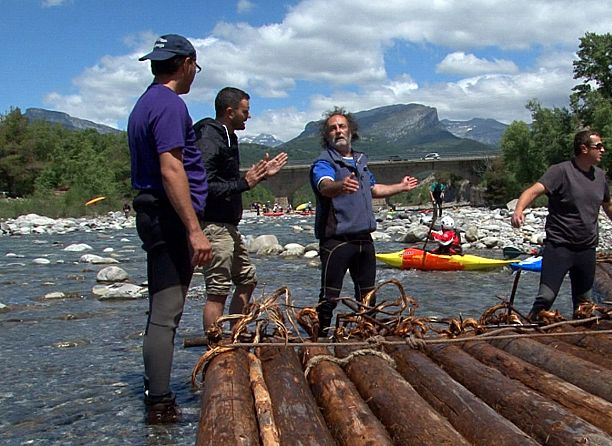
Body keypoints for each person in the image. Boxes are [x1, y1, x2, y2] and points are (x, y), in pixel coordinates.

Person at [127, 34, 211, 424]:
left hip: (154, 213)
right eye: (195, 67)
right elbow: (171, 168)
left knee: (161, 309)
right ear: (187, 63)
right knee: (167, 312)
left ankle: (155, 393)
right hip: (168, 217)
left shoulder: (145, 103)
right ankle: (160, 403)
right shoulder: (169, 104)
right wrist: (194, 229)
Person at [310, 107, 419, 336]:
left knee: (368, 296)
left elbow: (373, 189)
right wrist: (340, 185)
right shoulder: (324, 162)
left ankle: (366, 336)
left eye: (342, 126)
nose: (338, 131)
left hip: (364, 240)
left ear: (351, 130)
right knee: (329, 297)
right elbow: (324, 185)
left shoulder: (360, 160)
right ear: (327, 135)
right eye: (332, 128)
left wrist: (400, 187)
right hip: (337, 240)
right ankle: (319, 339)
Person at [511, 130, 612, 321]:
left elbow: (609, 206)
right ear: (584, 149)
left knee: (584, 305)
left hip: (586, 249)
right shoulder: (560, 171)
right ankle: (529, 328)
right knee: (546, 297)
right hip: (559, 247)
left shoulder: (600, 176)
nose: (603, 150)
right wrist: (519, 210)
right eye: (598, 146)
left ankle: (581, 335)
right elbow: (533, 191)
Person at [194, 87, 288, 335]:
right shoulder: (209, 138)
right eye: (245, 111)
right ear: (230, 112)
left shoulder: (228, 137)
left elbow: (228, 180)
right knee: (217, 291)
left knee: (247, 280)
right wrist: (244, 183)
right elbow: (204, 185)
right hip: (213, 226)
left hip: (228, 226)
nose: (249, 116)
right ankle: (216, 347)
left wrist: (259, 176)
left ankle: (237, 333)